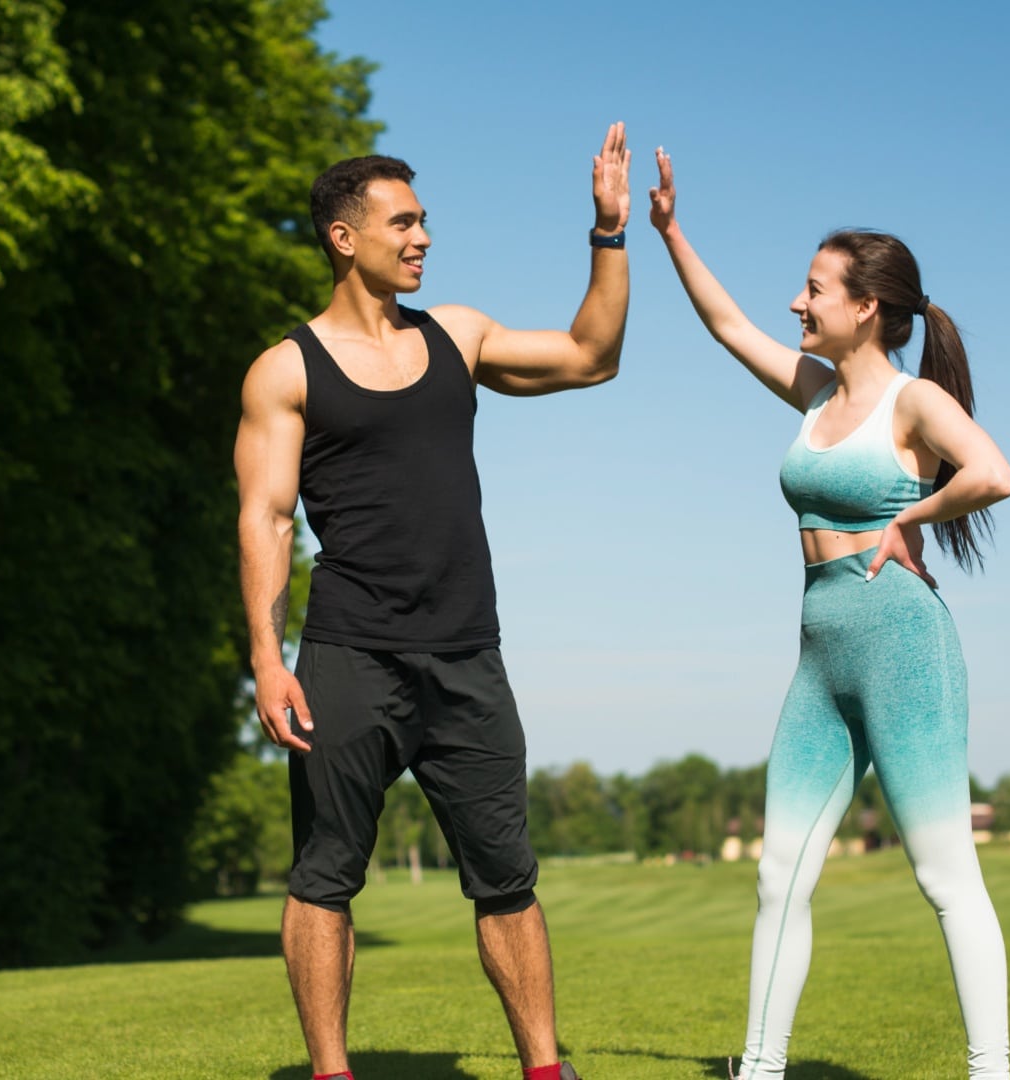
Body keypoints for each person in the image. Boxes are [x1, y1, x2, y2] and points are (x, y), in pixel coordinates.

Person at [234, 124, 633, 1080]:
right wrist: (265, 655)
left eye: (424, 222)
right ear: (344, 236)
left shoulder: (456, 333)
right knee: (326, 878)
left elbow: (592, 355)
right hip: (348, 657)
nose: (421, 238)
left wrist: (609, 235)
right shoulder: (286, 369)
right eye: (402, 222)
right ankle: (332, 1073)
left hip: (468, 657)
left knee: (507, 878)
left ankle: (545, 1069)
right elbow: (267, 516)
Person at [645, 147, 1010, 1079]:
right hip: (819, 654)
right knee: (778, 875)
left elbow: (994, 474)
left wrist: (914, 519)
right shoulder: (815, 395)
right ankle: (761, 1068)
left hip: (900, 643)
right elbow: (729, 326)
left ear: (866, 308)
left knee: (943, 876)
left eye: (814, 290)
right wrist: (668, 231)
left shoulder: (911, 400)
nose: (797, 304)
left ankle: (992, 1072)